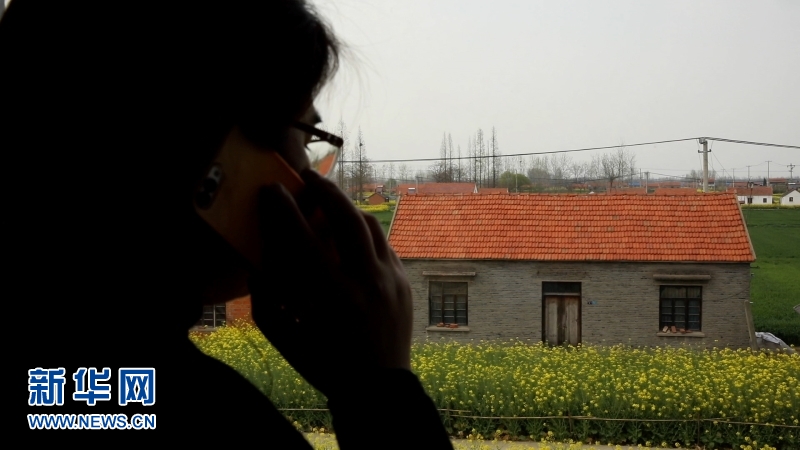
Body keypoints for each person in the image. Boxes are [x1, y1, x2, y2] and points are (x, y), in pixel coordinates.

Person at [6, 1, 453, 447]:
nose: (312, 179)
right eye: (307, 139)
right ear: (219, 155)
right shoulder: (211, 422)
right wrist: (382, 393)